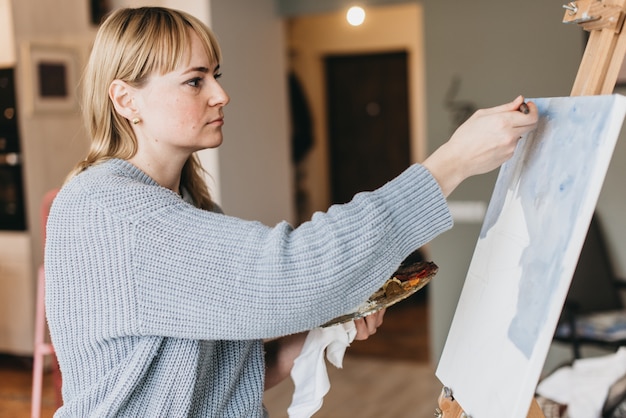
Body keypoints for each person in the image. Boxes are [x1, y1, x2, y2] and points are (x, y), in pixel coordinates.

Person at [44, 6, 538, 417]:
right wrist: (449, 163)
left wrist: (318, 329)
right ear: (125, 99)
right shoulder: (109, 211)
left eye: (214, 76)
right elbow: (289, 269)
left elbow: (220, 384)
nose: (221, 94)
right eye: (195, 82)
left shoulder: (190, 203)